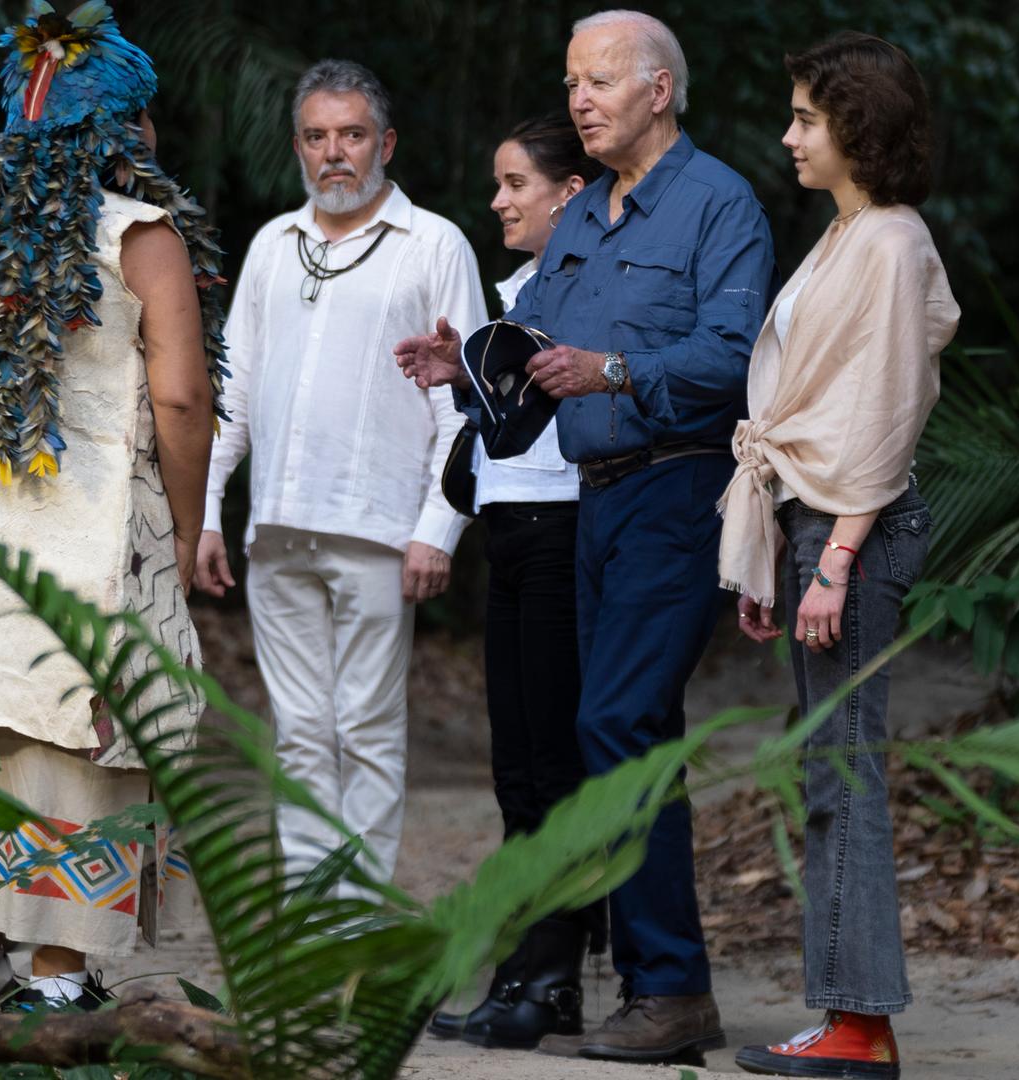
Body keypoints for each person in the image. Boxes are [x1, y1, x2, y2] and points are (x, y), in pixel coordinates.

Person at [397, 9, 775, 1063]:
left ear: (659, 89)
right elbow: (532, 352)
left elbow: (739, 355)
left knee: (613, 721)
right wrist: (460, 365)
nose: (579, 99)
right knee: (625, 732)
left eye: (599, 80)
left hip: (679, 486)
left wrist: (614, 371)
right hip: (595, 497)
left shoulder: (717, 203)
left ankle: (669, 986)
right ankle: (657, 986)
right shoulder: (582, 221)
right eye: (571, 81)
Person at [0, 0, 222, 1011]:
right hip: (95, 537)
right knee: (80, 741)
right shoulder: (140, 234)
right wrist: (187, 527)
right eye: (144, 119)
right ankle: (60, 977)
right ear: (123, 129)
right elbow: (184, 395)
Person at [719, 33, 957, 1079]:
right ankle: (848, 1015)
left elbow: (885, 412)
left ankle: (859, 1026)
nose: (789, 135)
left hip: (855, 527)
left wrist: (835, 560)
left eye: (807, 116)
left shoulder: (891, 241)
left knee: (844, 772)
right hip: (821, 525)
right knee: (827, 768)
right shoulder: (848, 233)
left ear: (858, 125)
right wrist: (784, 552)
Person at [194, 59, 485, 890]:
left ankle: (358, 913)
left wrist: (438, 528)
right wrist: (209, 511)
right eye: (318, 137)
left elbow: (465, 406)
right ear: (297, 146)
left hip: (379, 529)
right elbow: (235, 391)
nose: (335, 154)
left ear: (384, 142)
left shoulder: (433, 244)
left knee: (365, 725)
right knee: (298, 731)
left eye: (351, 135)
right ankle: (311, 908)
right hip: (278, 529)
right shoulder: (273, 246)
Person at [426, 115, 605, 1051]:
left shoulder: (586, 283)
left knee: (549, 770)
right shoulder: (525, 286)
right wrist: (462, 375)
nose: (498, 201)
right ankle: (536, 972)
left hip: (561, 528)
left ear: (569, 193)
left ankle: (546, 976)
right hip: (512, 530)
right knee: (518, 770)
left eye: (515, 184)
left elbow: (561, 414)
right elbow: (512, 418)